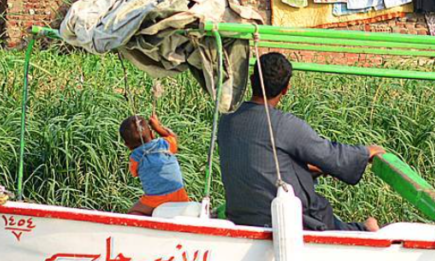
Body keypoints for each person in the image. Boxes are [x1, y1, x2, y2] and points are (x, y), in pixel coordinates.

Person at [217, 52, 383, 232]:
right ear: (286, 88)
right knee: (354, 223)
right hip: (291, 219)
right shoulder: (284, 125)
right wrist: (367, 152)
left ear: (251, 80)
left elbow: (263, 162)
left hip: (244, 217)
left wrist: (309, 169)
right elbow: (331, 155)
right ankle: (366, 230)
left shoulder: (228, 121)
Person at [120, 113, 190, 216]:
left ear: (127, 145)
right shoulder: (165, 144)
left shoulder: (135, 158)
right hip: (179, 195)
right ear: (152, 134)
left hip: (154, 200)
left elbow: (135, 173)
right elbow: (173, 137)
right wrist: (158, 127)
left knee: (134, 212)